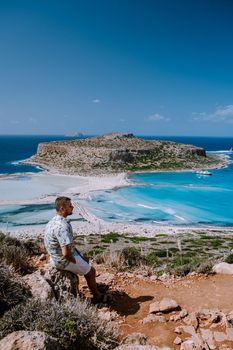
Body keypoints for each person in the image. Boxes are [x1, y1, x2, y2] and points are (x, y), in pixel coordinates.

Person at [44, 196, 102, 301]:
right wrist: (76, 261)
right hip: (62, 260)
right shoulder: (62, 226)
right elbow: (66, 254)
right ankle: (97, 296)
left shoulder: (53, 221)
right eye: (70, 206)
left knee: (85, 260)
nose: (72, 207)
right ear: (62, 209)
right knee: (91, 271)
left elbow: (69, 247)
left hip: (54, 257)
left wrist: (81, 258)